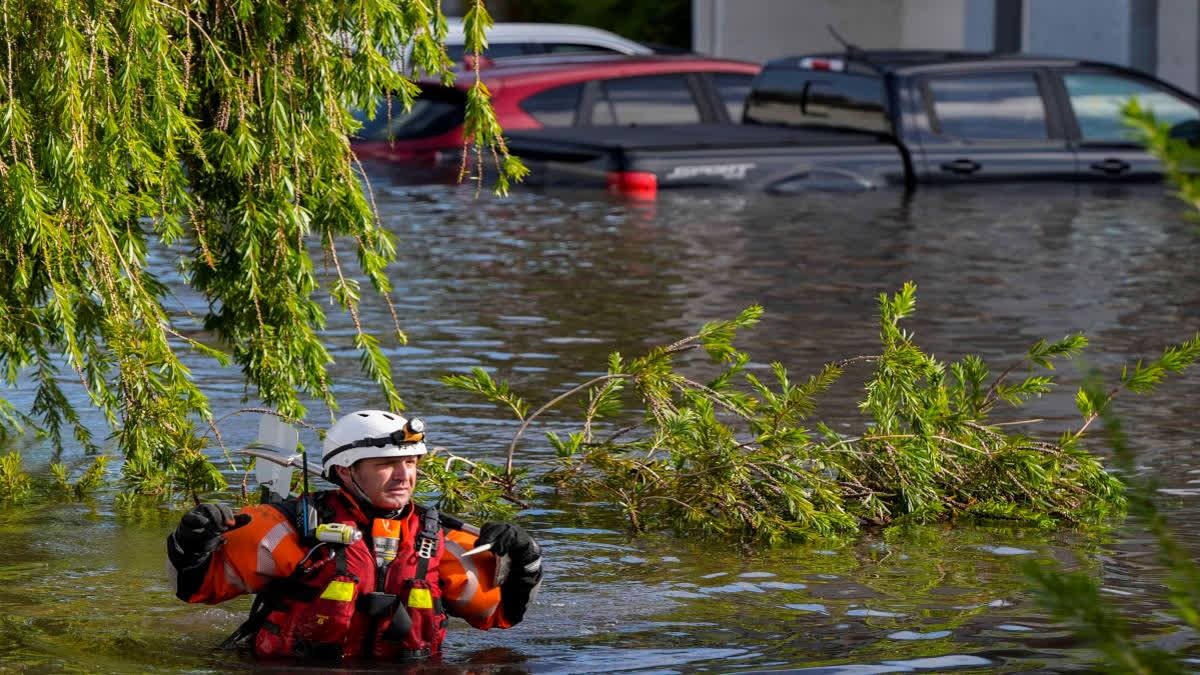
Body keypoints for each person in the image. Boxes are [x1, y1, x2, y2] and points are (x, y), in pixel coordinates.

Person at [166, 410, 542, 661]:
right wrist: (193, 544)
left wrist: (525, 562)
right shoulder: (285, 528)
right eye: (386, 465)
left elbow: (499, 615)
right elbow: (192, 589)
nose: (404, 476)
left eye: (410, 463)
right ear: (345, 472)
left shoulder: (439, 538)